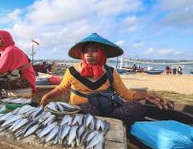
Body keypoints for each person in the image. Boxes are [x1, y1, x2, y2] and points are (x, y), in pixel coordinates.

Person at [40, 33, 174, 125]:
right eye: (86, 51)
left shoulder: (110, 71)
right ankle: (104, 123)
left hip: (108, 107)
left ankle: (109, 122)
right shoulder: (72, 71)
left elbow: (126, 94)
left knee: (136, 108)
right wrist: (46, 97)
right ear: (82, 54)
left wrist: (146, 95)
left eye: (94, 50)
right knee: (90, 111)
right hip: (82, 110)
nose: (89, 54)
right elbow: (61, 88)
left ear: (102, 53)